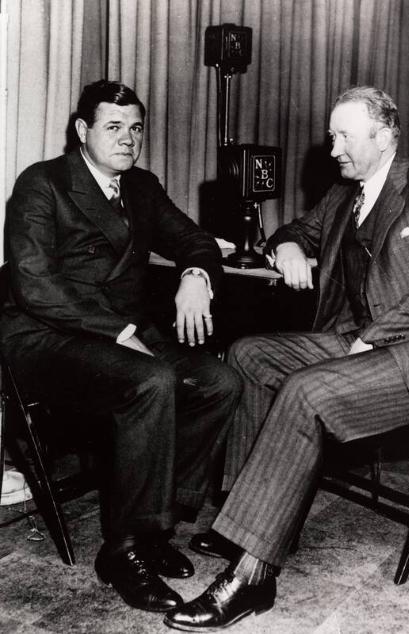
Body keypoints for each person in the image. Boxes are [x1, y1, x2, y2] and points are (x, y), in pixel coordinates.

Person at [165, 86, 409, 631]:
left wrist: (374, 337)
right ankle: (250, 520)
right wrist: (289, 246)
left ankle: (250, 577)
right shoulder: (346, 195)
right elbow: (296, 229)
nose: (333, 147)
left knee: (307, 390)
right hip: (366, 338)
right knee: (250, 355)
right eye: (331, 135)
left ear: (385, 134)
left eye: (344, 135)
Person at [0, 80, 242, 613]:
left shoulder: (141, 186)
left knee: (220, 381)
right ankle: (123, 548)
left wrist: (197, 274)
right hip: (47, 337)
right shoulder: (44, 184)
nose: (127, 139)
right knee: (152, 381)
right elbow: (34, 283)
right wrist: (118, 331)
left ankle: (156, 524)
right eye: (113, 127)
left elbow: (193, 239)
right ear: (83, 131)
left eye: (135, 128)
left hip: (121, 333)